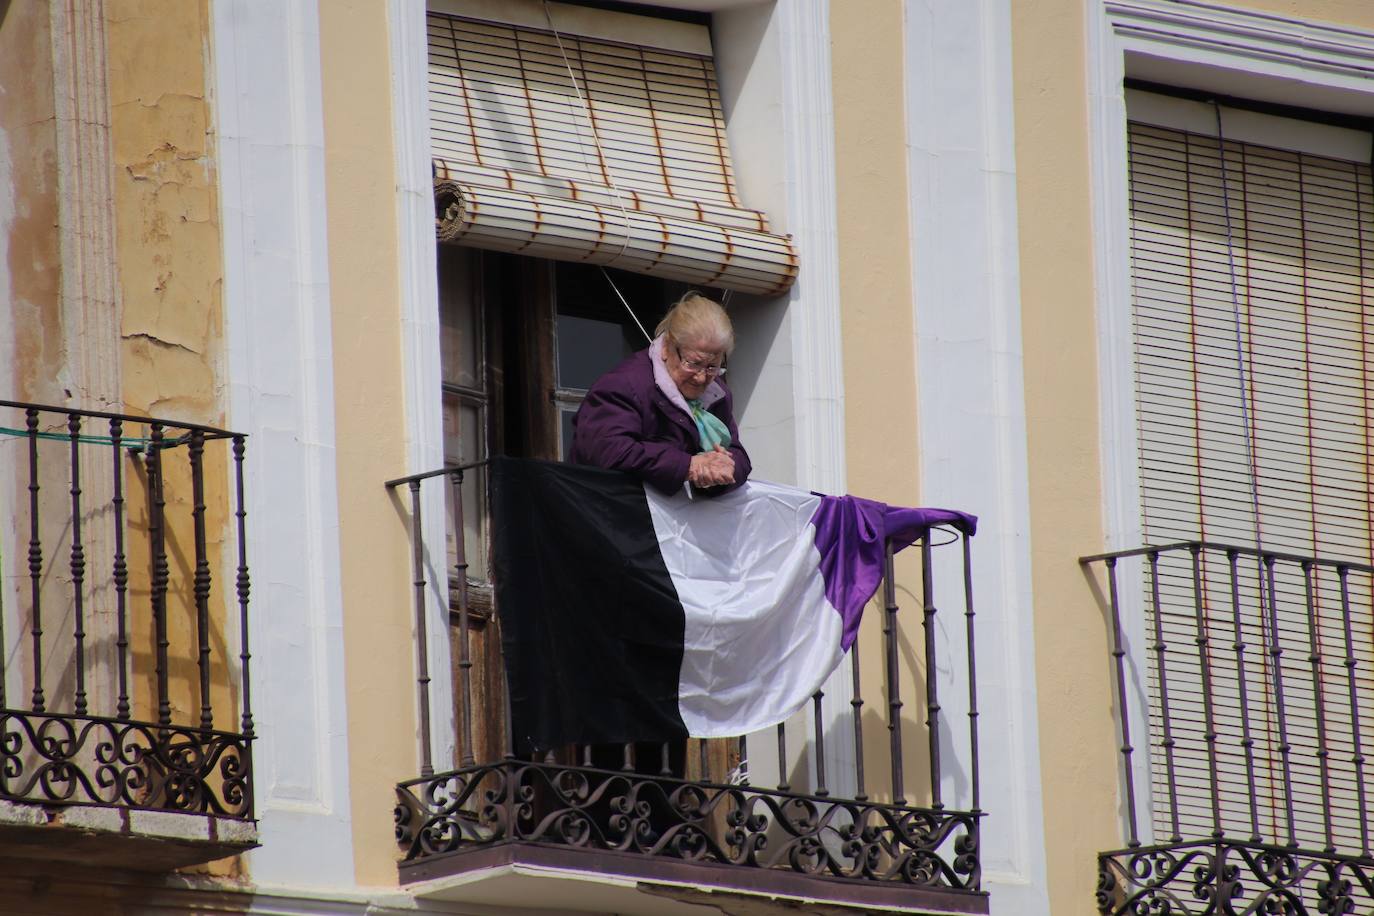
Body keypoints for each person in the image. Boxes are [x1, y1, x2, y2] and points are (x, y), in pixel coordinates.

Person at [570, 292, 751, 496]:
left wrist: (724, 469)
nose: (701, 378)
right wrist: (687, 466)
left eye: (712, 367)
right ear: (666, 348)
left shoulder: (717, 394)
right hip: (610, 515)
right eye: (693, 363)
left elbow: (737, 453)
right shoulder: (623, 385)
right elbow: (606, 450)